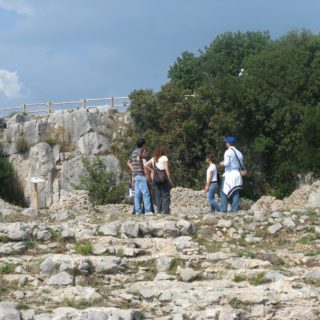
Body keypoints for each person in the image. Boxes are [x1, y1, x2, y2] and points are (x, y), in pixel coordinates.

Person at [127, 139, 153, 215]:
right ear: (143, 144)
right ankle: (147, 211)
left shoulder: (133, 152)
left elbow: (128, 162)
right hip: (141, 174)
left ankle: (138, 211)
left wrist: (133, 169)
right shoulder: (141, 152)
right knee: (146, 193)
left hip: (135, 175)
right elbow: (144, 162)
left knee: (137, 195)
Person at [219, 136, 244, 213]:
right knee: (236, 192)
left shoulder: (228, 152)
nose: (225, 143)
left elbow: (226, 163)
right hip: (237, 174)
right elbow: (241, 165)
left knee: (224, 191)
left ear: (228, 143)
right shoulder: (239, 153)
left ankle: (223, 210)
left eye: (226, 142)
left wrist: (221, 163)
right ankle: (234, 211)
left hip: (229, 174)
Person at [145, 147, 173, 214]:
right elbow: (166, 169)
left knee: (157, 195)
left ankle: (159, 211)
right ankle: (165, 210)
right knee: (165, 194)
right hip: (163, 178)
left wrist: (153, 170)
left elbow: (145, 165)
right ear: (162, 152)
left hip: (155, 179)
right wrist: (169, 179)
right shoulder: (164, 158)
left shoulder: (153, 159)